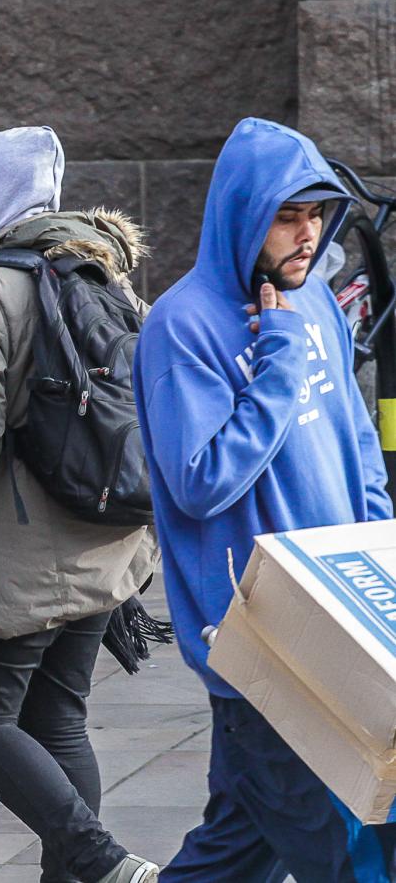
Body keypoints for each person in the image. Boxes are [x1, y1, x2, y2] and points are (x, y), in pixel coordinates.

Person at [134, 116, 396, 881]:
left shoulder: (311, 300)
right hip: (265, 638)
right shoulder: (183, 326)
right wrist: (276, 364)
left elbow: (353, 446)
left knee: (238, 848)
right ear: (244, 215)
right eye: (287, 215)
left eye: (316, 214)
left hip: (343, 622)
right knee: (347, 857)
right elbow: (200, 479)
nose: (306, 234)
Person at [0, 126, 162, 883]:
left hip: (19, 549)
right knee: (57, 719)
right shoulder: (104, 273)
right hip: (108, 535)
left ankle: (101, 861)